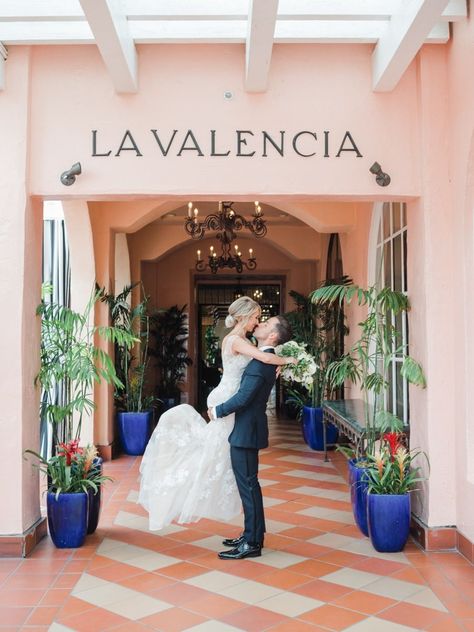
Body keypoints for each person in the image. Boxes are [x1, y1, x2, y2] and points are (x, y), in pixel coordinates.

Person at [137, 296, 296, 530]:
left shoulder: (243, 339)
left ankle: (251, 529)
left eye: (260, 319)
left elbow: (261, 362)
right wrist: (288, 360)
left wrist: (276, 364)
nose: (257, 322)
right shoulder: (236, 340)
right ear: (244, 317)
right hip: (227, 399)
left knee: (216, 455)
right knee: (213, 457)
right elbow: (263, 357)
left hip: (231, 401)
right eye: (255, 317)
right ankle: (245, 525)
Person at [208, 314, 292, 560]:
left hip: (246, 431)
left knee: (248, 486)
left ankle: (253, 542)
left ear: (273, 336)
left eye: (265, 324)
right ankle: (251, 535)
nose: (259, 324)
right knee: (249, 485)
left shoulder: (260, 364)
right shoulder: (263, 361)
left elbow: (243, 398)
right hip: (248, 429)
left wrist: (217, 411)